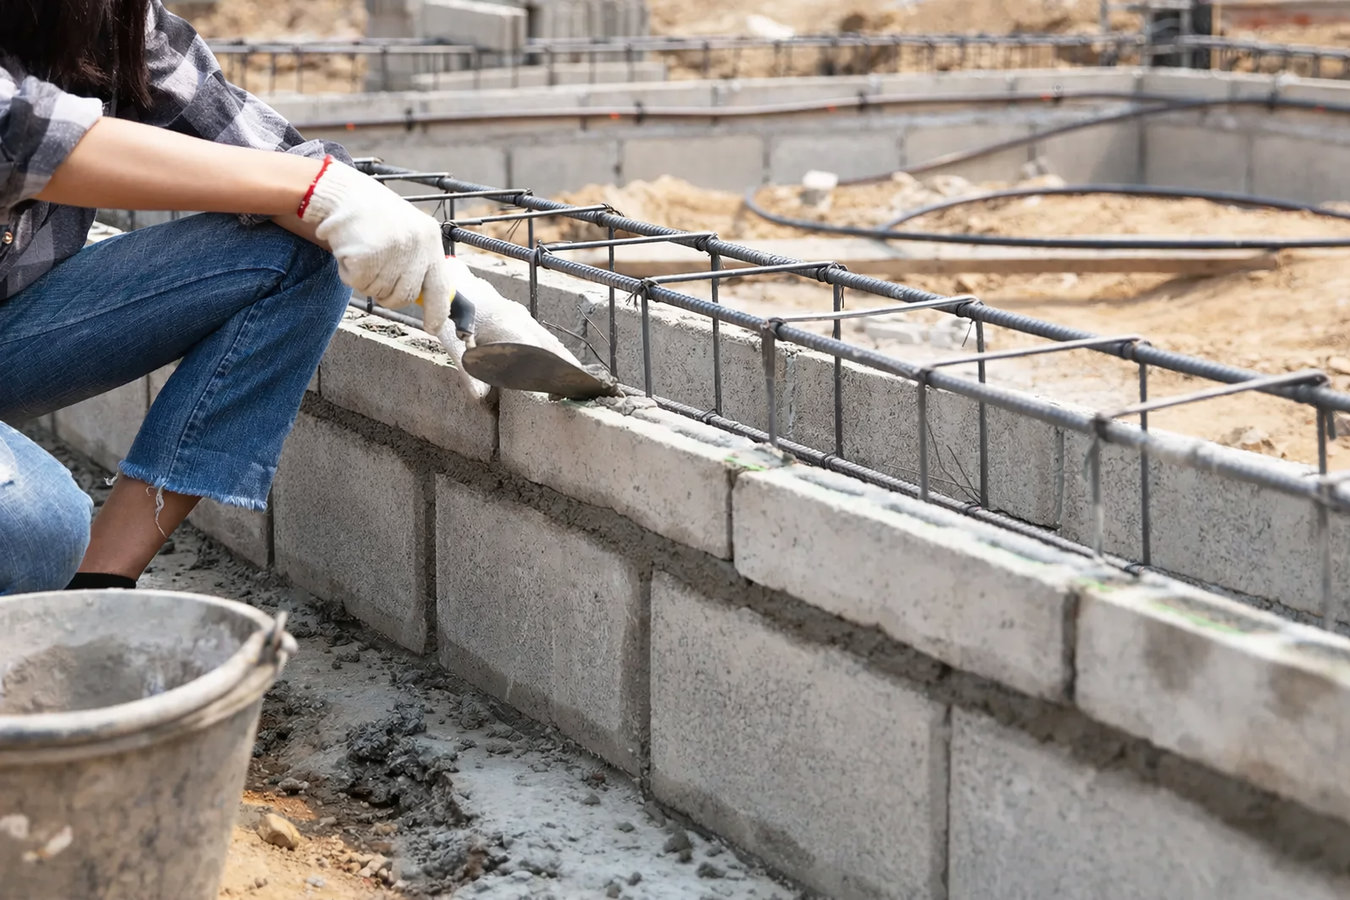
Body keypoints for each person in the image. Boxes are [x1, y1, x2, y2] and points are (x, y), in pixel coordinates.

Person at [0, 0, 470, 595]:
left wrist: (451, 285)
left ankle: (97, 588)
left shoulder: (110, 16)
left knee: (303, 251)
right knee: (35, 529)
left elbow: (253, 148)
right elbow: (19, 132)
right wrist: (312, 188)